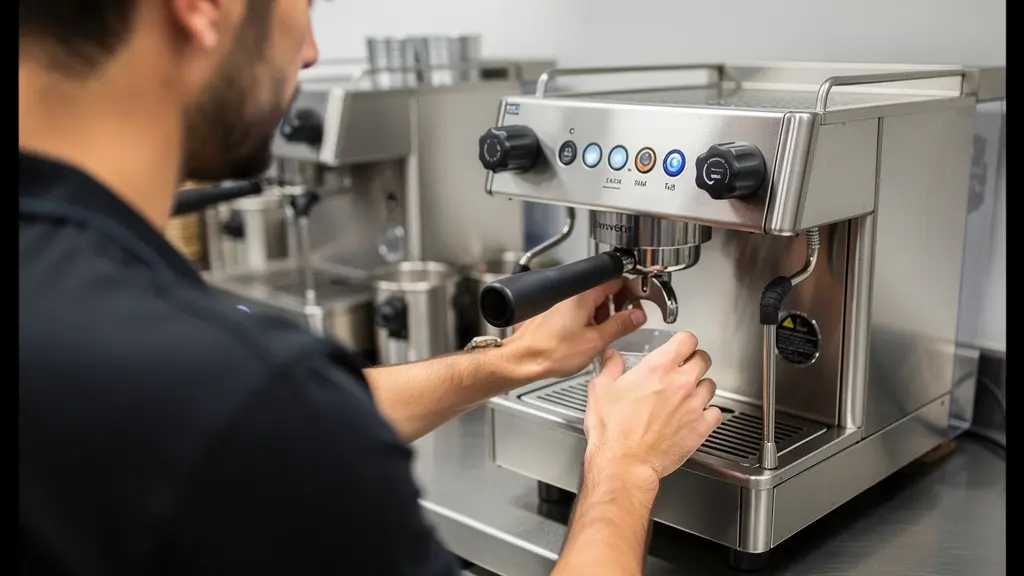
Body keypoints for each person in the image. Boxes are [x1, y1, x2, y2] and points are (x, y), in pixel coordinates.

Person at [18, 1, 723, 575]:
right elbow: (263, 416)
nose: (313, 53)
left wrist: (511, 361)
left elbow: (234, 416)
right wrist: (624, 466)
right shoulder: (247, 393)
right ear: (204, 8)